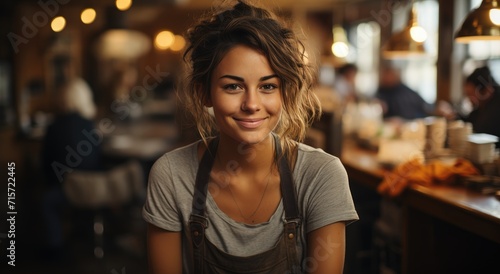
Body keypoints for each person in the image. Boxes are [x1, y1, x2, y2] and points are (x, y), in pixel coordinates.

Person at [142, 1, 359, 273]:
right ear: (204, 93)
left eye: (267, 86)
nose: (252, 104)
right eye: (233, 86)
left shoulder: (321, 175)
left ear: (285, 93)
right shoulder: (172, 176)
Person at [40, 77, 102, 259]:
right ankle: (85, 230)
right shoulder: (90, 125)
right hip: (96, 187)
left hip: (69, 190)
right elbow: (97, 160)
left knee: (46, 201)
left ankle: (55, 247)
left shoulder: (54, 127)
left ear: (62, 98)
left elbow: (46, 164)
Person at [461, 66, 500, 144]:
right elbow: (470, 121)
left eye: (471, 94)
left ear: (486, 90)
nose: (469, 99)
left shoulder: (496, 107)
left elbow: (480, 129)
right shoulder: (481, 107)